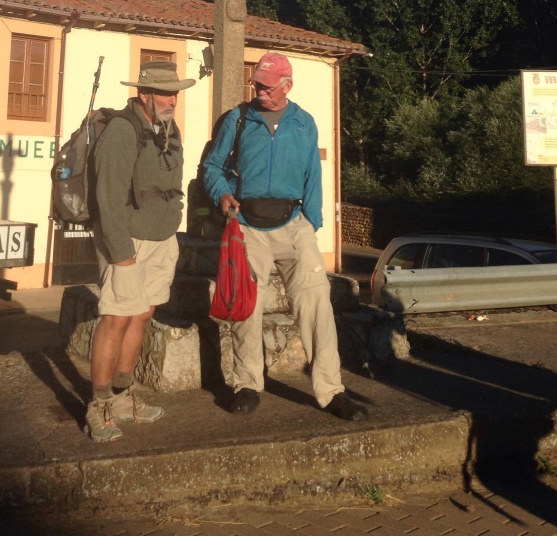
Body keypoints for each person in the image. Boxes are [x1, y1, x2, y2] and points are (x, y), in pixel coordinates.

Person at [203, 53, 365, 421]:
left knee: (317, 305)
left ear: (287, 85)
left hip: (294, 224)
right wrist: (221, 194)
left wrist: (312, 223)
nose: (259, 91)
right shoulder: (238, 119)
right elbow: (212, 165)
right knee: (246, 307)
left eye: (267, 86)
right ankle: (247, 385)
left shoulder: (304, 123)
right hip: (247, 225)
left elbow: (313, 174)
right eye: (257, 84)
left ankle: (331, 391)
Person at [85, 59, 195, 443]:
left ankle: (122, 395)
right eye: (166, 92)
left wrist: (173, 224)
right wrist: (121, 252)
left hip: (162, 239)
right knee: (115, 318)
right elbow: (108, 198)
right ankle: (97, 406)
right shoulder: (120, 130)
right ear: (144, 93)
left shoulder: (168, 128)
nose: (173, 100)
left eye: (176, 92)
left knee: (142, 316)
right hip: (127, 242)